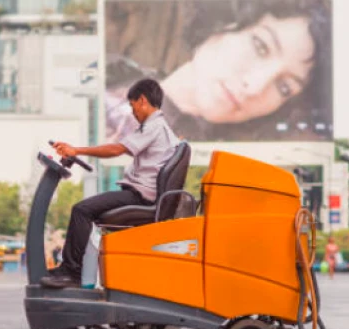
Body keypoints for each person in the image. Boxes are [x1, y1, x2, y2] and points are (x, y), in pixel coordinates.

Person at [105, 0, 332, 143]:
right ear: (222, 25)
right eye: (260, 46)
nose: (255, 86)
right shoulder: (109, 90)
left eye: (284, 87)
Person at [41, 78, 180, 288]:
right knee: (86, 211)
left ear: (142, 100)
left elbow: (116, 150)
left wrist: (76, 150)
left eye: (133, 107)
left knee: (82, 210)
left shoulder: (154, 127)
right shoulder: (159, 128)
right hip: (142, 195)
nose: (133, 113)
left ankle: (71, 273)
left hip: (140, 197)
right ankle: (74, 271)